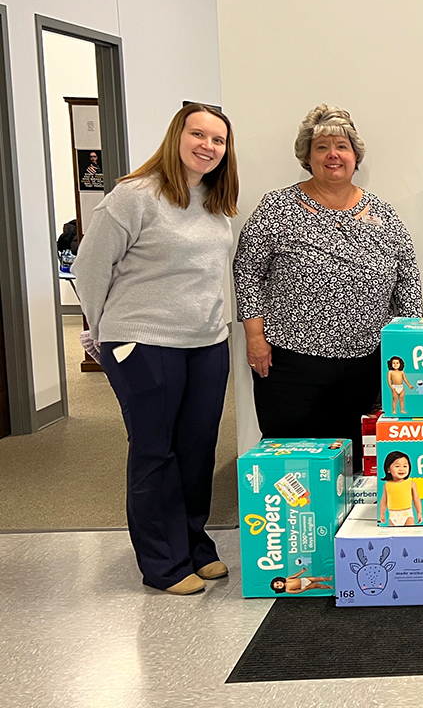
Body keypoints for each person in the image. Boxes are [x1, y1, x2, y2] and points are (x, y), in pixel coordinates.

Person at [72, 103, 239, 596]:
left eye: (219, 140)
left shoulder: (214, 200)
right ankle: (163, 564)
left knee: (196, 450)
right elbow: (89, 268)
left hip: (206, 342)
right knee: (154, 451)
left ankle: (193, 546)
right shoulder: (133, 196)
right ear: (176, 136)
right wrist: (103, 332)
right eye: (199, 134)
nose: (208, 146)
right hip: (143, 342)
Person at [233, 105, 422, 443]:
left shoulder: (384, 213)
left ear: (355, 156)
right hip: (291, 361)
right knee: (294, 454)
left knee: (356, 454)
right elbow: (248, 270)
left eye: (342, 147)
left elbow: (407, 278)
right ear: (307, 155)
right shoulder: (276, 207)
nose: (333, 155)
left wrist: (408, 345)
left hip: (366, 361)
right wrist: (254, 337)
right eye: (322, 147)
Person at [380, 450, 423, 526]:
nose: (401, 469)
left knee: (409, 533)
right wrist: (382, 513)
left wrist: (419, 513)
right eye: (397, 466)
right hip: (393, 515)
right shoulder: (387, 484)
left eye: (405, 466)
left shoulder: (411, 483)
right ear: (388, 469)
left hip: (407, 514)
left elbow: (416, 499)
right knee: (393, 534)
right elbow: (384, 500)